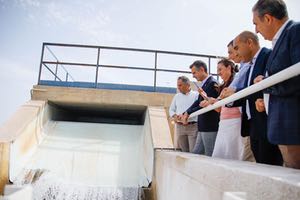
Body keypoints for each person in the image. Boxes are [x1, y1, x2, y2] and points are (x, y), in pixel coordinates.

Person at [221, 31, 283, 165]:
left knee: (270, 167)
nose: (236, 54)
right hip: (253, 124)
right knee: (260, 166)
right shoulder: (250, 64)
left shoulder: (268, 55)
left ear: (249, 43)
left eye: (237, 48)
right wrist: (231, 99)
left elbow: (276, 83)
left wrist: (236, 91)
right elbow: (250, 92)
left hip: (266, 122)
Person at [252, 0, 300, 168]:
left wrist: (266, 85)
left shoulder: (296, 31)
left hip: (293, 127)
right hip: (284, 127)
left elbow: (297, 78)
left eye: (256, 24)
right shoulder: (280, 40)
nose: (256, 30)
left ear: (268, 18)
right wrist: (266, 98)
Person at [200, 58, 245, 160]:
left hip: (235, 123)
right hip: (224, 123)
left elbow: (235, 104)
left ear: (229, 68)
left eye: (220, 69)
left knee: (232, 155)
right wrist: (209, 103)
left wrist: (213, 101)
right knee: (220, 155)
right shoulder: (223, 86)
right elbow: (220, 109)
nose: (218, 73)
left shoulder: (235, 83)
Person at [180, 60, 220, 156]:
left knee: (209, 155)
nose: (193, 76)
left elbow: (202, 104)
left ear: (202, 69)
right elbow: (198, 102)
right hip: (203, 126)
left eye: (194, 73)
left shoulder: (212, 83)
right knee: (196, 154)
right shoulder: (205, 84)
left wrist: (188, 113)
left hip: (210, 126)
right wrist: (186, 112)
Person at [169, 76, 198, 152]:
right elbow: (171, 110)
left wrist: (186, 116)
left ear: (188, 85)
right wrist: (175, 116)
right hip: (180, 127)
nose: (178, 87)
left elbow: (197, 108)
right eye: (177, 85)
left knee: (193, 152)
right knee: (184, 152)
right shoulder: (177, 96)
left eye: (180, 85)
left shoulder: (196, 95)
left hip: (193, 126)